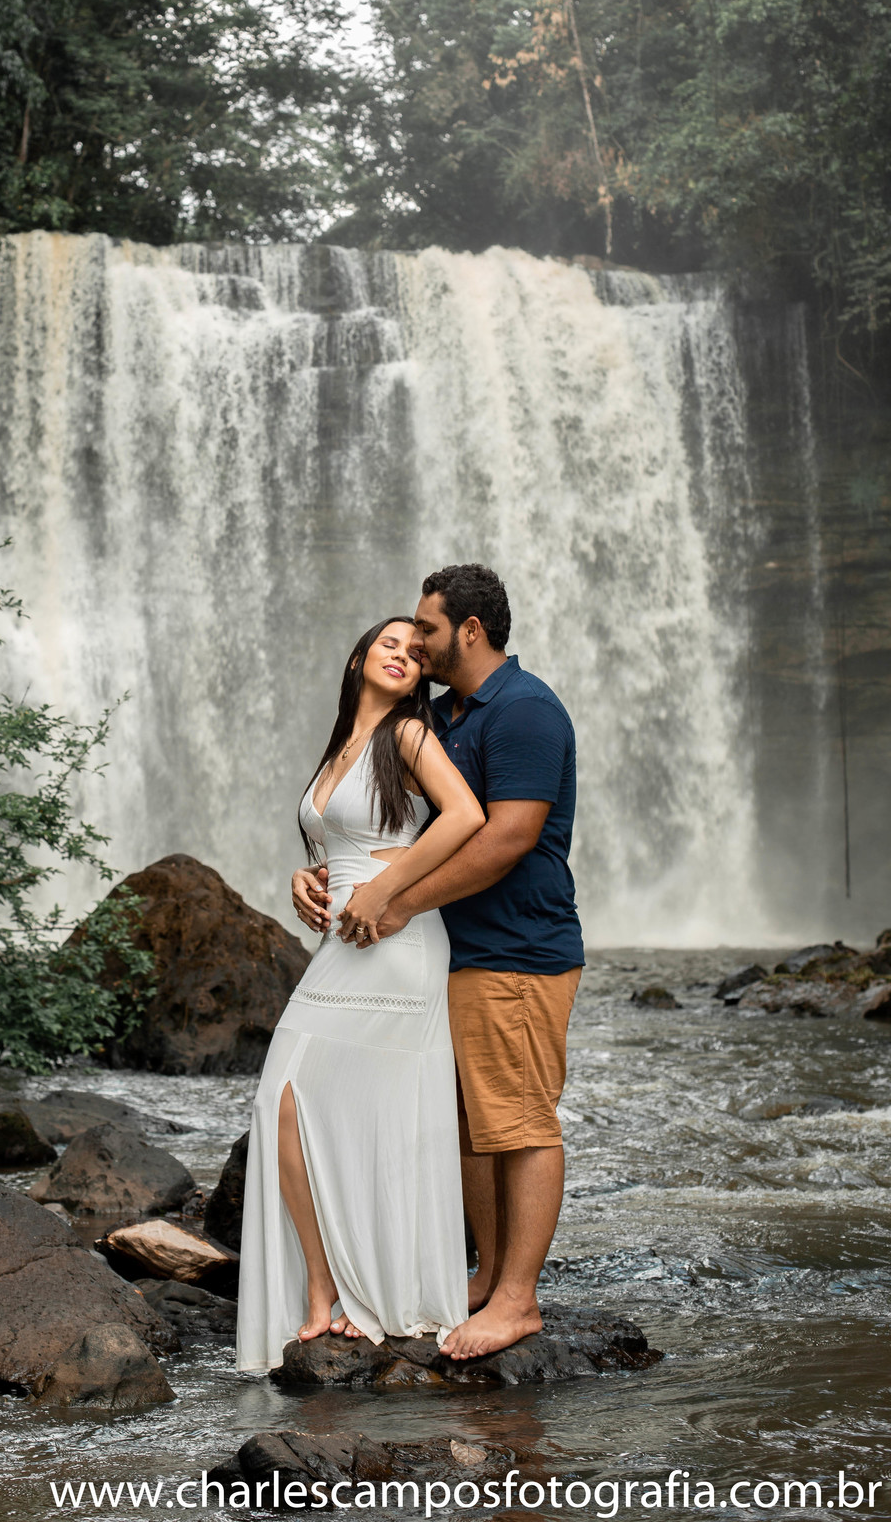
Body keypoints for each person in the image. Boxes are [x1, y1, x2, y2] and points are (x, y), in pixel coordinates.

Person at [293, 564, 583, 1360]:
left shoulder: (523, 711)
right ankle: (489, 1276)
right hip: (450, 954)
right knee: (467, 1123)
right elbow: (390, 823)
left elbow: (507, 835)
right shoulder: (447, 713)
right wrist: (324, 873)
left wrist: (396, 900)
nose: (414, 640)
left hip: (517, 950)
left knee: (519, 1120)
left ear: (471, 631)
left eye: (425, 627)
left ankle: (518, 1300)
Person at [235, 616, 485, 1374]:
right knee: (284, 1099)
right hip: (344, 944)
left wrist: (383, 886)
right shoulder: (341, 745)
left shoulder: (408, 737)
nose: (405, 655)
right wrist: (302, 876)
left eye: (417, 652)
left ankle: (369, 1293)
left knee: (352, 1105)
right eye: (390, 644)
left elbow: (466, 816)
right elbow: (335, 838)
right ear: (357, 658)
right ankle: (323, 1288)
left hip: (396, 942)